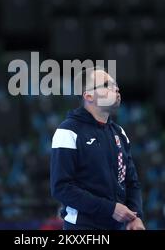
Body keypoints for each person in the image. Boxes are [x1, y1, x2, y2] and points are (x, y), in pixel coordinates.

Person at [50, 67, 145, 230]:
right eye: (107, 84)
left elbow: (131, 182)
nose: (116, 88)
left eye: (115, 84)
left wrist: (135, 217)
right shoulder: (68, 131)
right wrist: (110, 209)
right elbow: (61, 188)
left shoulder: (119, 132)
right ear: (88, 95)